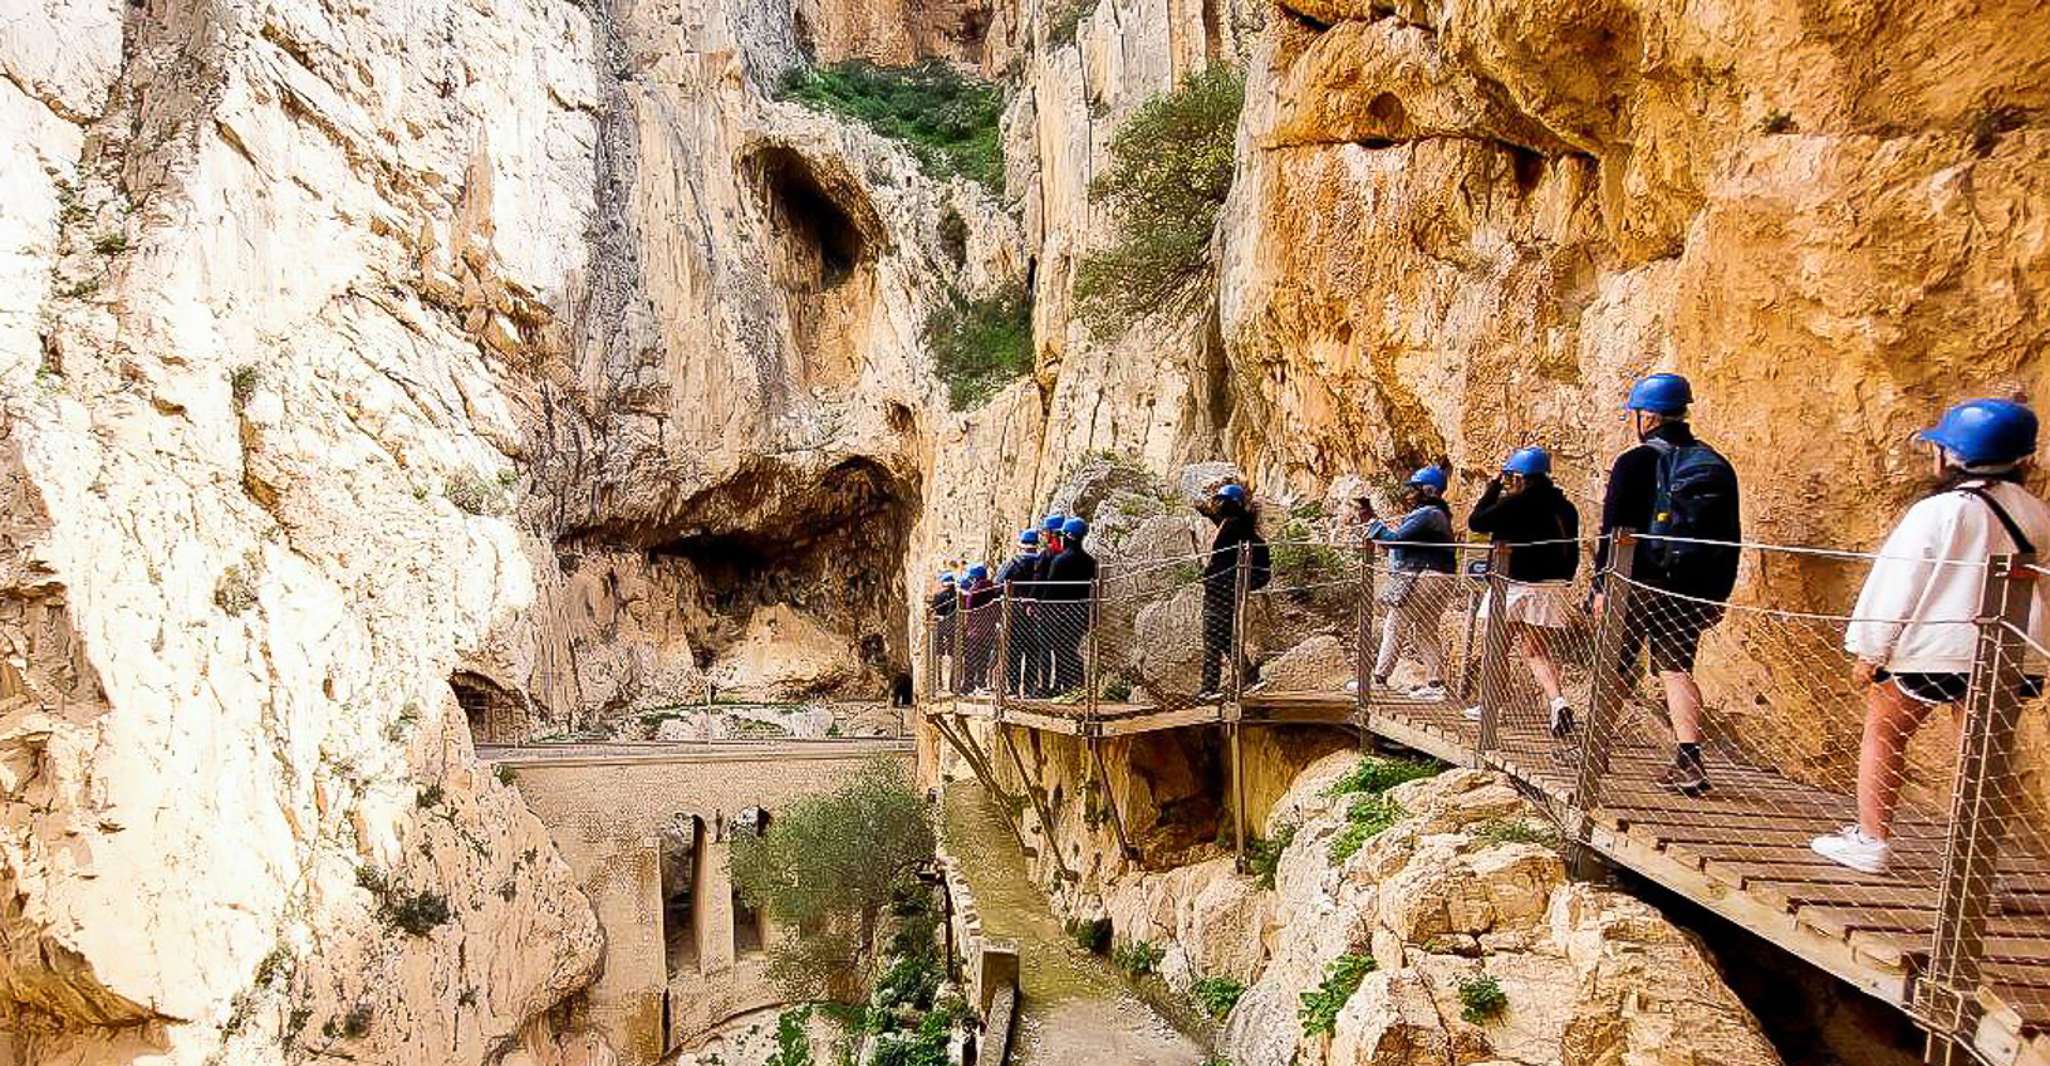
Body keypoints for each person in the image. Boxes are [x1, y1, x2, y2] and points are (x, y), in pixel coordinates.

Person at [1812, 398, 2050, 872]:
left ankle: (1872, 841)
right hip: (2008, 652)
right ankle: (1976, 861)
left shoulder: (1940, 511)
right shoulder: (2037, 513)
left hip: (1934, 650)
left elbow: (1899, 582)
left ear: (1953, 455)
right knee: (1982, 756)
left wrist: (1870, 649)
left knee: (1885, 733)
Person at [1593, 372, 1742, 796]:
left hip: (1636, 581)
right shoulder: (1715, 463)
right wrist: (1718, 591)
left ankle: (1595, 750)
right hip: (1691, 586)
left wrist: (1600, 587)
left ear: (1649, 416)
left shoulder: (1635, 461)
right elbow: (1731, 534)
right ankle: (1690, 761)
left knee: (1616, 667)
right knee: (1676, 669)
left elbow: (1613, 529)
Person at [1467, 447, 1581, 735]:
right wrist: (1565, 579)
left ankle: (1491, 706)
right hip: (1549, 587)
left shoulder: (1513, 504)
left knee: (1496, 649)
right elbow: (1574, 547)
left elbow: (1477, 522)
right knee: (1536, 652)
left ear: (1518, 477)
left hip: (1512, 585)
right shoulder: (1565, 507)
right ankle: (1558, 702)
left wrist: (1493, 487)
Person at [1361, 466, 1457, 701]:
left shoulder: (1426, 514)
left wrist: (1373, 523)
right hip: (1441, 577)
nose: (1409, 494)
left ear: (1428, 490)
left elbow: (1397, 540)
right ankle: (1435, 683)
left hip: (1423, 576)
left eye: (1414, 489)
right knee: (1426, 629)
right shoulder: (1438, 514)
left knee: (1395, 625)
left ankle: (1378, 679)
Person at [1198, 483, 1257, 700]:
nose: (1218, 504)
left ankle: (1208, 688)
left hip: (1219, 588)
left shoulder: (1234, 525)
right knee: (1222, 637)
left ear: (1231, 504)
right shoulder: (1238, 524)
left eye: (1221, 501)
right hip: (1224, 587)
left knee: (1212, 636)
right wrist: (1207, 513)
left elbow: (1227, 529)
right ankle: (1250, 674)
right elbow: (1225, 524)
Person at [1043, 517, 1098, 695]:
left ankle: (1068, 686)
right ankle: (1073, 686)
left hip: (1060, 612)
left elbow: (1050, 589)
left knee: (1061, 650)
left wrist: (1040, 606)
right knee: (1070, 648)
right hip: (1081, 611)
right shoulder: (1090, 562)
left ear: (1067, 536)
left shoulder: (1060, 561)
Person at [998, 529, 1042, 696]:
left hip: (1014, 613)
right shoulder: (1042, 563)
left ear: (1021, 545)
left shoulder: (1013, 564)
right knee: (1033, 651)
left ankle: (1014, 688)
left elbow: (997, 584)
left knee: (1014, 652)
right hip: (1038, 613)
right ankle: (1030, 689)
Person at [960, 564, 998, 694]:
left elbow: (969, 607)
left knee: (971, 659)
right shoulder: (992, 588)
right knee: (984, 658)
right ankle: (981, 683)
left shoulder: (976, 589)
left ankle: (969, 685)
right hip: (988, 629)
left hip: (975, 630)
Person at [928, 572, 958, 692]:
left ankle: (938, 682)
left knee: (938, 654)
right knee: (952, 654)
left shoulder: (939, 596)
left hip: (940, 626)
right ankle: (951, 684)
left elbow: (933, 609)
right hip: (953, 626)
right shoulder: (957, 596)